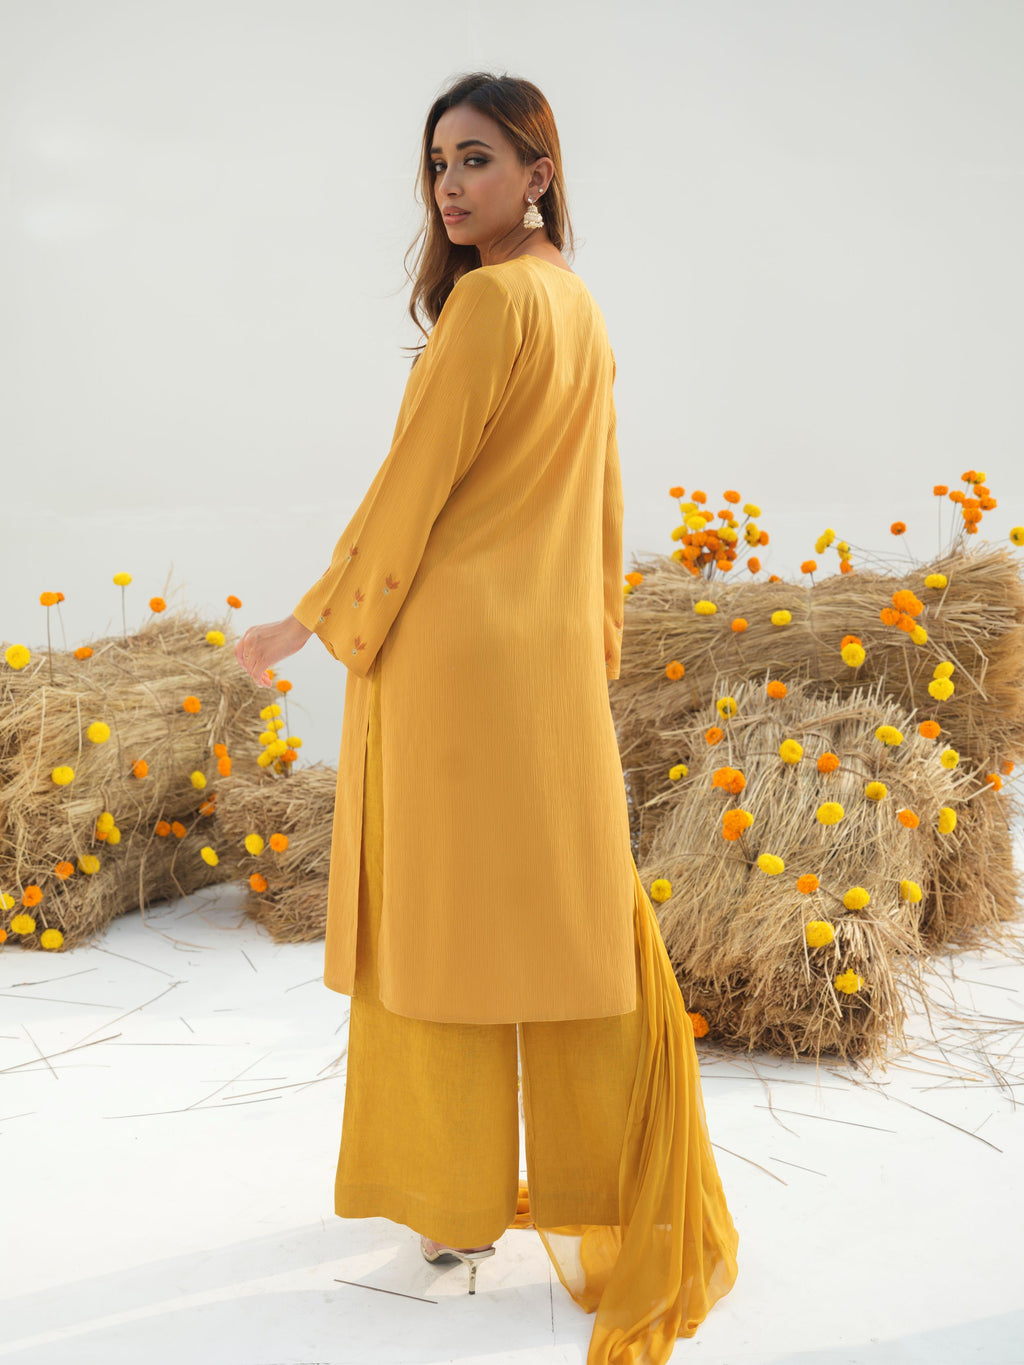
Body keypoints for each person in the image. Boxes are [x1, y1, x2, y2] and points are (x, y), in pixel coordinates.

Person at [235, 70, 739, 1362]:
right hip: (544, 665)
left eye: (477, 158)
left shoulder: (493, 303)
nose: (451, 185)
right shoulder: (576, 303)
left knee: (437, 933)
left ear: (538, 171)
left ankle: (451, 1218)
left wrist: (307, 619)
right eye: (439, 164)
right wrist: (593, 646)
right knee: (560, 932)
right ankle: (593, 1187)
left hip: (451, 663)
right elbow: (604, 502)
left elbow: (412, 486)